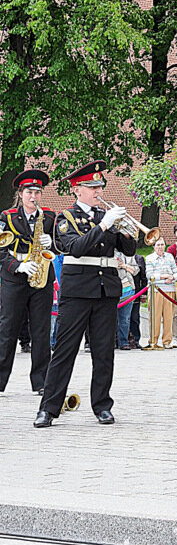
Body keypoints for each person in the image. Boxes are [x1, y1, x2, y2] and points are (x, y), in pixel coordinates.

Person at [35, 161, 137, 427]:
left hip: (106, 290)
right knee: (65, 350)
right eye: (92, 187)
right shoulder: (66, 218)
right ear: (77, 190)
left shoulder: (106, 217)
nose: (97, 190)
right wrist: (104, 225)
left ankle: (102, 405)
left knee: (104, 352)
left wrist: (126, 228)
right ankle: (48, 408)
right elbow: (76, 248)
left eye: (99, 186)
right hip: (78, 290)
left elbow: (127, 250)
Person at [0, 170, 56, 396]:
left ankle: (41, 382)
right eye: (29, 192)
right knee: (8, 328)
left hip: (41, 277)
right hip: (15, 277)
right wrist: (17, 266)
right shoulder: (7, 217)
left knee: (41, 331)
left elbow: (63, 244)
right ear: (20, 194)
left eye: (37, 192)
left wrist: (52, 241)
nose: (34, 196)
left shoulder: (50, 217)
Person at [145, 237, 177, 350]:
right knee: (155, 316)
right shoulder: (150, 258)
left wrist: (172, 278)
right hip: (156, 290)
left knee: (169, 317)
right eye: (158, 245)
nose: (160, 247)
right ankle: (153, 341)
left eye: (162, 244)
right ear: (154, 246)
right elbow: (150, 276)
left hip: (169, 289)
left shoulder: (169, 257)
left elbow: (176, 272)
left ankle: (167, 341)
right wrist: (164, 277)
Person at [114, 250, 139, 350]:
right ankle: (111, 342)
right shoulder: (108, 250)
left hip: (128, 290)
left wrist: (124, 266)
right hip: (112, 288)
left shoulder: (129, 253)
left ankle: (123, 342)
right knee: (110, 319)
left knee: (125, 318)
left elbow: (136, 270)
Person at [128, 251, 147, 349]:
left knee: (134, 318)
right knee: (123, 318)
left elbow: (143, 277)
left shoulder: (139, 258)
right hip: (122, 293)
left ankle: (135, 340)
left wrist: (144, 294)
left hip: (136, 292)